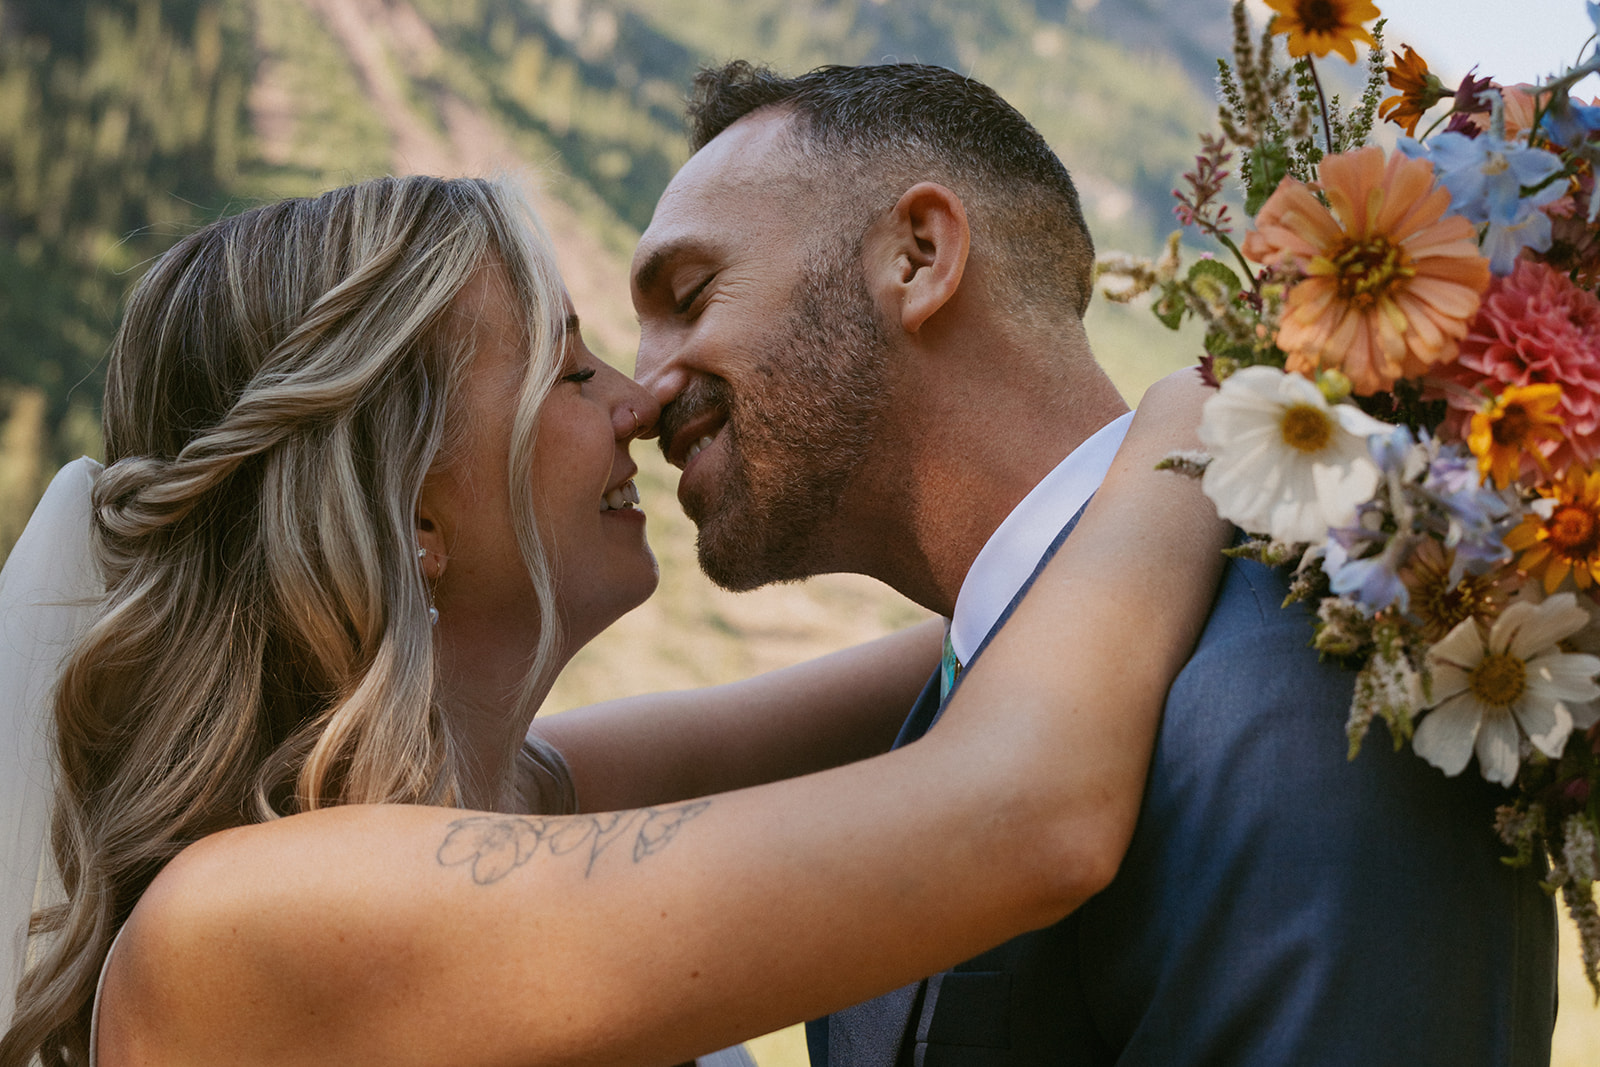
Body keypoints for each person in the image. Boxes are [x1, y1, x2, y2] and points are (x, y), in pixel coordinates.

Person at [0, 174, 1229, 1067]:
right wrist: (1214, 410)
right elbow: (1027, 814)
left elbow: (1009, 622)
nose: (639, 404)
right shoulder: (242, 928)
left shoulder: (519, 796)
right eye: (569, 369)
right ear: (416, 505)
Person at [605, 62, 1560, 1065]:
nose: (643, 387)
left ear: (919, 256)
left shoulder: (1289, 699)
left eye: (688, 293)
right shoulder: (955, 708)